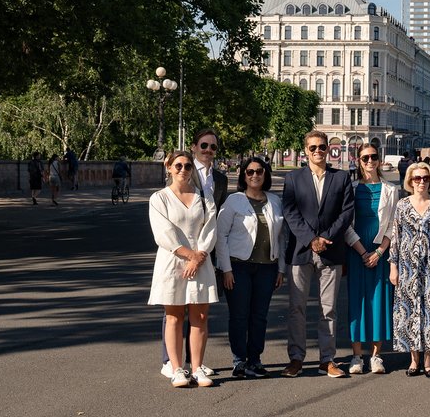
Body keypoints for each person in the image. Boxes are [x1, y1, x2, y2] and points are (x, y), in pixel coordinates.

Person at [282, 130, 355, 378]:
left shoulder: (341, 178)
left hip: (331, 250)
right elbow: (290, 213)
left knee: (329, 309)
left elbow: (346, 213)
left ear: (328, 149)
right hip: (300, 251)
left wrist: (326, 238)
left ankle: (327, 359)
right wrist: (311, 239)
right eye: (312, 148)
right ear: (305, 151)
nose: (317, 152)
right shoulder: (293, 178)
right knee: (296, 308)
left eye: (321, 147)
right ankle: (296, 358)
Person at [149, 150, 219, 388]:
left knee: (200, 316)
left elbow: (211, 228)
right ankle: (177, 368)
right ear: (168, 167)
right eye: (178, 165)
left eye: (187, 166)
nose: (183, 170)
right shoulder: (159, 198)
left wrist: (198, 257)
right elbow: (163, 233)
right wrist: (189, 255)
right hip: (173, 262)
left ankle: (198, 368)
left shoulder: (203, 196)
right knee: (174, 316)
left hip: (201, 261)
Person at [216, 157, 286, 379]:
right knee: (239, 316)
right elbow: (221, 236)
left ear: (265, 174)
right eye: (250, 172)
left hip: (267, 268)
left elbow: (281, 238)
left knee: (259, 316)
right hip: (238, 267)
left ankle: (254, 359)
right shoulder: (233, 201)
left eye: (259, 171)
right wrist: (225, 269)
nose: (255, 175)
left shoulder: (275, 201)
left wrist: (281, 269)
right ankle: (239, 361)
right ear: (243, 175)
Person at [389, 161, 430, 378]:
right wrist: (393, 266)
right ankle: (413, 360)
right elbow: (396, 238)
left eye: (425, 178)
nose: (421, 182)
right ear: (410, 181)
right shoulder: (402, 205)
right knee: (410, 312)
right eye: (417, 178)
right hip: (407, 268)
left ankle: (428, 362)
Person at [344, 144, 396, 375]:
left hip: (380, 252)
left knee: (379, 301)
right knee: (357, 302)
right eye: (365, 157)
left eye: (374, 157)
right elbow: (345, 223)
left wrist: (379, 252)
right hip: (356, 251)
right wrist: (363, 252)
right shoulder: (351, 188)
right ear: (359, 161)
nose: (370, 161)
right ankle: (357, 356)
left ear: (379, 159)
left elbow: (394, 225)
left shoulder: (391, 190)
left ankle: (376, 356)